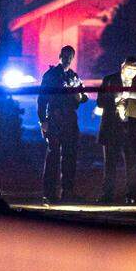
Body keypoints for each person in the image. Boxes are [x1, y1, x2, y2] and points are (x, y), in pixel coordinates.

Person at [37, 45, 88, 204]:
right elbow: (42, 99)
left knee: (70, 156)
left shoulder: (73, 76)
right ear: (60, 56)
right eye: (65, 56)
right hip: (55, 118)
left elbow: (83, 96)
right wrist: (43, 121)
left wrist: (79, 96)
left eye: (70, 56)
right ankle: (50, 193)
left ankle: (67, 192)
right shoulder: (51, 75)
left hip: (69, 119)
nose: (67, 59)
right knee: (53, 156)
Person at [97, 57, 136, 204]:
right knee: (110, 164)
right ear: (122, 67)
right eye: (129, 69)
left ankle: (131, 195)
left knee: (132, 164)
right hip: (112, 128)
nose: (132, 72)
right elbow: (100, 101)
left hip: (131, 129)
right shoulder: (109, 80)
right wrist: (116, 102)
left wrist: (129, 104)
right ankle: (108, 194)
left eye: (135, 70)